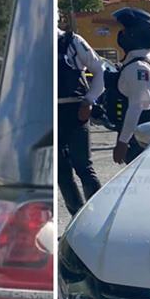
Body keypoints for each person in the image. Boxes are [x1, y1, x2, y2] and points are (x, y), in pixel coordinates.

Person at [56, 20, 106, 216]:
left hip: (75, 110)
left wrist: (89, 101)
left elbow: (99, 69)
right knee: (61, 171)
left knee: (83, 166)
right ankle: (77, 217)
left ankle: (99, 216)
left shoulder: (73, 41)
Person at [112, 7, 150, 164]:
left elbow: (137, 107)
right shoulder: (136, 64)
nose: (122, 34)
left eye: (126, 30)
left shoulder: (138, 68)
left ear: (134, 34)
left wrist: (123, 142)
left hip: (139, 140)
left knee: (143, 176)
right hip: (138, 136)